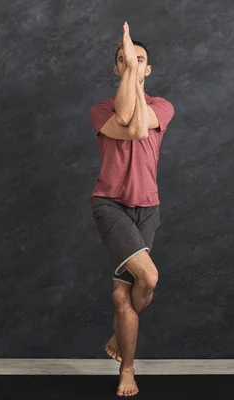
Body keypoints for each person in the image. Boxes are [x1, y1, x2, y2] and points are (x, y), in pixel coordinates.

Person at [88, 21, 175, 397]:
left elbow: (140, 123)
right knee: (150, 279)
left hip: (148, 208)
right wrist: (130, 69)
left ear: (149, 69)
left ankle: (122, 349)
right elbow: (131, 127)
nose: (133, 65)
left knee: (124, 296)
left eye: (140, 61)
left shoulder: (164, 106)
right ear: (116, 69)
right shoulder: (99, 110)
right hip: (111, 205)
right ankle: (128, 369)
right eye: (124, 62)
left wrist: (132, 67)